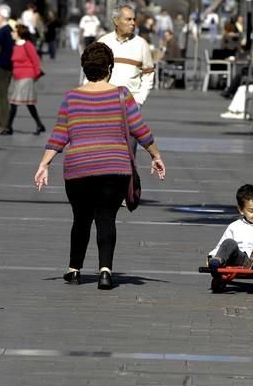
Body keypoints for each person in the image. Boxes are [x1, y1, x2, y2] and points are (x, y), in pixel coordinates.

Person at [33, 42, 166, 290]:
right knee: (106, 218)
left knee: (80, 219)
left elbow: (60, 135)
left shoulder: (72, 97)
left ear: (85, 68)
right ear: (109, 68)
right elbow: (140, 130)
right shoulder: (122, 95)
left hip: (78, 169)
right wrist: (155, 156)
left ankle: (74, 271)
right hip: (113, 168)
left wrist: (44, 164)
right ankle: (105, 272)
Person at [97, 4, 155, 107]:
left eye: (134, 20)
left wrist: (140, 99)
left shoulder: (141, 44)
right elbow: (93, 71)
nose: (133, 23)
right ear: (116, 21)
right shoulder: (103, 42)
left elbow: (148, 73)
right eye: (128, 19)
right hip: (105, 101)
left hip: (131, 103)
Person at [6, 24, 45, 136]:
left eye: (14, 31)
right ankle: (39, 124)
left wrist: (36, 74)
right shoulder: (15, 46)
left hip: (26, 76)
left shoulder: (28, 45)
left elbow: (35, 60)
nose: (12, 33)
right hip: (17, 77)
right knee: (28, 103)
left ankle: (9, 127)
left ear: (19, 33)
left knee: (15, 101)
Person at [0, 4, 14, 135]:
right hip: (3, 66)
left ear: (3, 16)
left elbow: (6, 51)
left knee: (1, 96)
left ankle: (3, 125)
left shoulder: (5, 30)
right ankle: (0, 124)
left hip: (4, 67)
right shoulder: (5, 29)